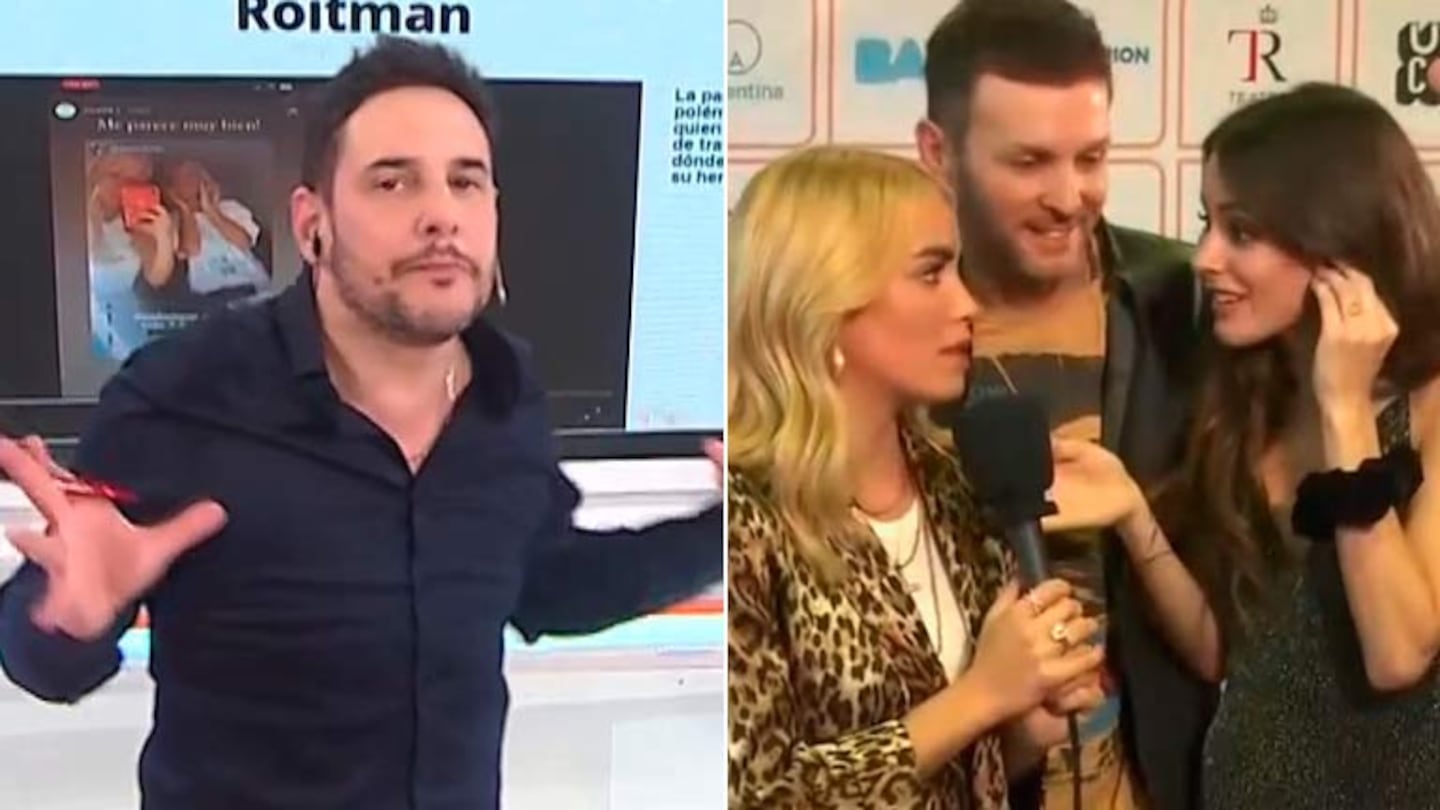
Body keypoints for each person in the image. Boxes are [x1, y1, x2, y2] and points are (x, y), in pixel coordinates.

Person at [0, 36, 722, 810]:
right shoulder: (183, 395)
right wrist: (70, 618)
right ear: (313, 222)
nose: (440, 215)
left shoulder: (507, 399)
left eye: (465, 182)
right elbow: (40, 653)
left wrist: (727, 532)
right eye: (392, 182)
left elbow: (548, 583)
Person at [1047, 82, 1440, 808]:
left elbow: (1398, 653)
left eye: (1243, 233)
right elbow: (1226, 652)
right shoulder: (1252, 395)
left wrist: (1346, 409)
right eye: (1208, 223)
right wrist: (1133, 515)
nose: (1204, 258)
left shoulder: (1429, 406)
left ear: (1338, 246)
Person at [726, 145, 1107, 809]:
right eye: (931, 274)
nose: (968, 304)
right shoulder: (744, 515)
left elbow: (961, 774)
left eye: (957, 270)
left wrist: (1020, 732)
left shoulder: (954, 485)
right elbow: (756, 795)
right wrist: (983, 694)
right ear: (825, 302)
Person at [913, 1, 1213, 807]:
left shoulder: (1182, 304)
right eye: (1029, 162)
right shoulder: (883, 325)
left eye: (1092, 158)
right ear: (939, 153)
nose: (1068, 195)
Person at [85, 149, 179, 359]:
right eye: (115, 175)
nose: (123, 185)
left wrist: (163, 237)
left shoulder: (142, 225)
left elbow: (157, 277)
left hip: (123, 313)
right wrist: (92, 214)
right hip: (81, 310)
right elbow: (84, 258)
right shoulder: (76, 210)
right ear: (97, 175)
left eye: (136, 180)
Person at [162, 157, 271, 299]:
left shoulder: (231, 207)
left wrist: (211, 211)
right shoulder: (173, 220)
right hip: (211, 295)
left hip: (252, 286)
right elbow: (191, 249)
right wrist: (185, 210)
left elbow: (244, 242)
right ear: (173, 189)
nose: (191, 181)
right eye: (183, 178)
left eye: (194, 174)